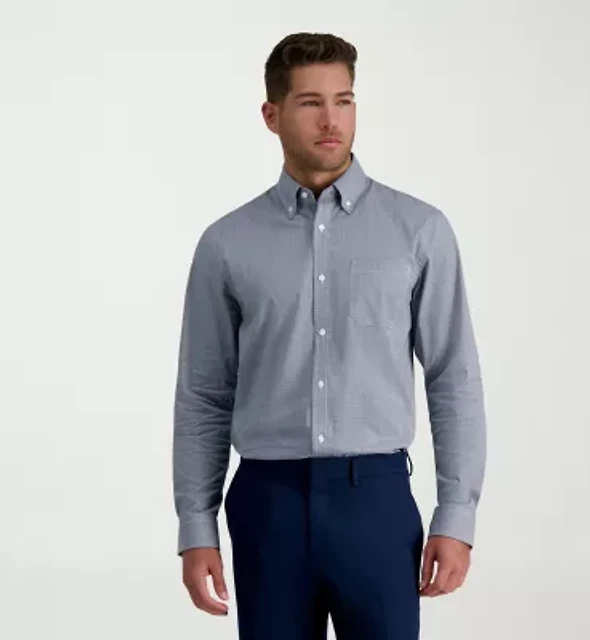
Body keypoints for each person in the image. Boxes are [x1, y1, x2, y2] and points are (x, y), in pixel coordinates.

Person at [172, 31, 487, 639]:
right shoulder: (227, 244)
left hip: (377, 500)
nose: (331, 120)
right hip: (267, 503)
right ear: (272, 115)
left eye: (343, 100)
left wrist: (456, 514)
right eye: (310, 102)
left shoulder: (418, 230)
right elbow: (204, 394)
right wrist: (196, 525)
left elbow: (454, 377)